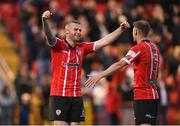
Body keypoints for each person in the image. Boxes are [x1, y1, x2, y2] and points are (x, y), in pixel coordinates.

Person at [41, 10, 129, 125]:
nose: (79, 32)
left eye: (80, 30)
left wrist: (120, 29)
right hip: (59, 95)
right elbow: (49, 37)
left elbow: (104, 42)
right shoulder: (58, 45)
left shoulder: (82, 47)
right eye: (76, 30)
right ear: (67, 32)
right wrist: (44, 21)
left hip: (76, 96)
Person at [85, 20, 160, 125]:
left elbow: (120, 64)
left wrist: (100, 75)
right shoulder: (154, 48)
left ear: (136, 32)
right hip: (154, 93)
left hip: (143, 94)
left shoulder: (138, 48)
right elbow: (157, 73)